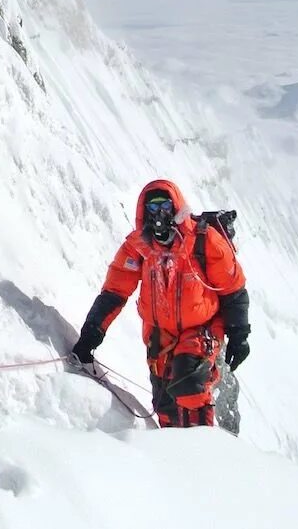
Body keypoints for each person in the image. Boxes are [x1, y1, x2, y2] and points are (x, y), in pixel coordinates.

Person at [71, 180, 250, 427]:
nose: (159, 214)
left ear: (176, 207)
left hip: (202, 328)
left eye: (165, 206)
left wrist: (239, 335)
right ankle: (171, 458)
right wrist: (92, 331)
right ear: (143, 213)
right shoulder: (138, 248)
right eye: (152, 209)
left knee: (189, 383)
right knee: (165, 405)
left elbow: (234, 289)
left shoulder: (203, 240)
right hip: (159, 335)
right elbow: (115, 290)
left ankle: (205, 452)